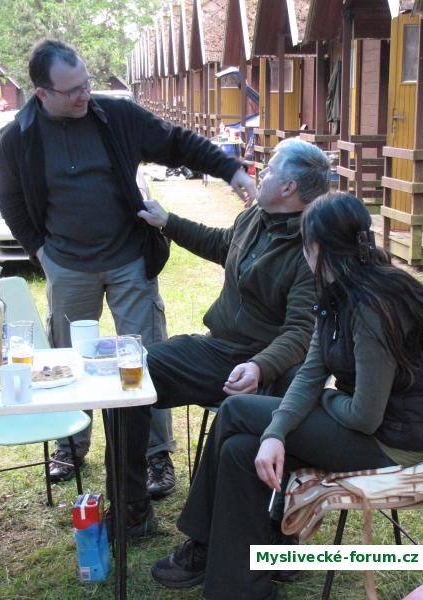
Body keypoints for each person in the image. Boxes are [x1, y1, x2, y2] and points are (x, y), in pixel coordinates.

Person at [0, 39, 255, 495]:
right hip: (67, 265)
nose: (85, 94)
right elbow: (9, 198)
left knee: (146, 358)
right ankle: (70, 443)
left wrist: (229, 169)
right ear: (42, 93)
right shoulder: (18, 137)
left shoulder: (116, 116)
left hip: (129, 259)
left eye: (87, 83)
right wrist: (40, 251)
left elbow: (177, 142)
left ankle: (155, 456)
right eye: (72, 90)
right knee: (67, 359)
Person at [151, 191, 423, 600]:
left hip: (394, 442)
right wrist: (275, 432)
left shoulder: (373, 307)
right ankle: (241, 587)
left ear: (316, 248)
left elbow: (364, 416)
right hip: (369, 425)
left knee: (234, 411)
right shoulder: (338, 290)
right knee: (240, 449)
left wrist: (322, 401)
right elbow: (311, 372)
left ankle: (202, 543)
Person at [113, 137, 330, 538]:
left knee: (241, 419)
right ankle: (132, 509)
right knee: (132, 377)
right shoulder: (256, 216)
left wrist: (259, 365)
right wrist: (168, 222)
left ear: (289, 188)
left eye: (268, 169)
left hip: (262, 364)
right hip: (218, 350)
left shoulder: (312, 247)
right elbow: (221, 244)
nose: (258, 173)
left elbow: (302, 332)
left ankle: (246, 527)